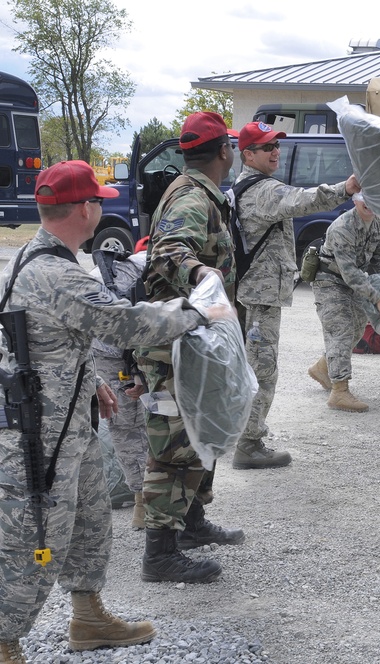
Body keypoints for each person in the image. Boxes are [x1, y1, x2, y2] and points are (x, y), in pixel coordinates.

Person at [0, 161, 231, 660]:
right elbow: (127, 325)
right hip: (40, 438)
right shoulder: (54, 273)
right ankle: (4, 641)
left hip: (66, 423)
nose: (102, 207)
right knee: (35, 539)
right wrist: (198, 311)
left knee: (89, 523)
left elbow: (46, 343)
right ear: (84, 209)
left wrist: (93, 381)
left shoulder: (41, 260)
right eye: (99, 200)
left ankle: (87, 618)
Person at [135, 111, 246, 584]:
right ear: (224, 151)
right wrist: (199, 272)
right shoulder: (190, 197)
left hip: (196, 340)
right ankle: (159, 553)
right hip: (174, 344)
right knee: (174, 444)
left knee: (204, 427)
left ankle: (191, 524)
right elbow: (167, 251)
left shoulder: (204, 194)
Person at [234, 120, 359, 469]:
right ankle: (249, 443)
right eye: (267, 147)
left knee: (255, 365)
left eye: (277, 145)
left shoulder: (250, 185)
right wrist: (344, 189)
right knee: (262, 370)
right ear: (248, 154)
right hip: (259, 297)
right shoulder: (263, 189)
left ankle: (247, 435)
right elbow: (301, 200)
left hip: (255, 292)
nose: (275, 151)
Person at [312, 193, 380, 412]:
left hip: (356, 283)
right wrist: (378, 298)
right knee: (340, 331)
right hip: (329, 281)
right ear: (354, 200)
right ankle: (339, 392)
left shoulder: (379, 223)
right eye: (364, 198)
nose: (369, 203)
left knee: (357, 331)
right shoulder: (342, 227)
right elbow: (349, 271)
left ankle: (323, 368)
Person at [89, 249, 150, 530]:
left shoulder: (130, 266)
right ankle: (144, 503)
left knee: (126, 427)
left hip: (104, 348)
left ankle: (144, 501)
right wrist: (140, 371)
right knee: (131, 426)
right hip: (110, 350)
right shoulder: (155, 270)